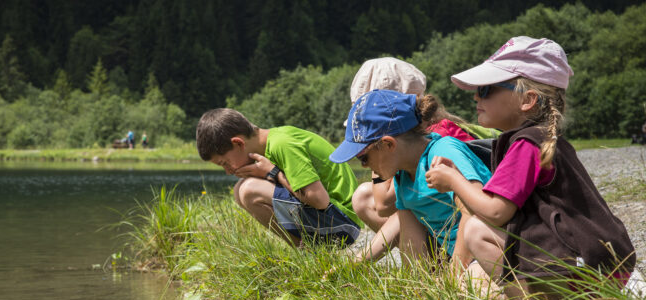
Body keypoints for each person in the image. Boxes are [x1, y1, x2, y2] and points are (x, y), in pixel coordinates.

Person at [426, 36, 636, 300]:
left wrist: (454, 180)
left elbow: (496, 212)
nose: (476, 96)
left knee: (477, 231)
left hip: (585, 270)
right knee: (476, 275)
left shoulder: (525, 144)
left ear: (528, 99)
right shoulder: (541, 139)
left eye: (487, 89)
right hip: (605, 262)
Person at [347, 58, 498, 265]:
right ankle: (434, 278)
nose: (364, 165)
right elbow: (403, 226)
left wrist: (455, 275)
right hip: (456, 251)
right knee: (406, 212)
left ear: (389, 144)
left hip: (488, 251)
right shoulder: (403, 171)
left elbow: (474, 211)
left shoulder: (443, 149)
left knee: (469, 286)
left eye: (363, 157)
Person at [196, 108, 363, 247]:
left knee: (249, 190)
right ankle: (306, 249)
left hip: (345, 226)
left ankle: (309, 253)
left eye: (225, 163)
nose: (228, 171)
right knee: (239, 189)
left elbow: (319, 200)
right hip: (333, 218)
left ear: (238, 143)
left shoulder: (282, 144)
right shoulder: (272, 142)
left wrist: (273, 173)